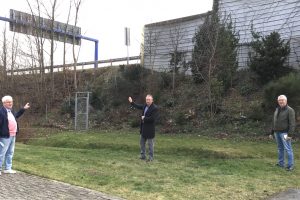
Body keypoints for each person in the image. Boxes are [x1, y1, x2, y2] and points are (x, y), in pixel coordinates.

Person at [0, 95, 30, 175]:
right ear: (4, 103)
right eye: (8, 102)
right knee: (2, 153)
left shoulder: (11, 111)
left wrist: (23, 109)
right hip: (5, 136)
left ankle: (8, 168)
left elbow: (16, 115)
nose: (11, 103)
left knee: (10, 152)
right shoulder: (1, 112)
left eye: (11, 102)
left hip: (13, 135)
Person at [128, 94, 159, 162]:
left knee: (150, 145)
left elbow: (153, 119)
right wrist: (132, 102)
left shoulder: (155, 108)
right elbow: (138, 106)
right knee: (142, 143)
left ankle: (151, 158)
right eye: (147, 99)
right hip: (143, 129)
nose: (147, 101)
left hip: (150, 130)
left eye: (149, 100)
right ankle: (143, 156)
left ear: (152, 100)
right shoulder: (145, 105)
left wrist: (144, 118)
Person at [271, 95, 295, 171]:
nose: (281, 101)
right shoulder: (277, 109)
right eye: (279, 100)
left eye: (282, 100)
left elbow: (292, 123)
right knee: (280, 148)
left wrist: (290, 134)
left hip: (285, 133)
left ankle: (290, 165)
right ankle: (281, 163)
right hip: (277, 132)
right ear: (278, 101)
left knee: (288, 149)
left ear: (286, 101)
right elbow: (274, 121)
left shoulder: (290, 110)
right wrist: (271, 132)